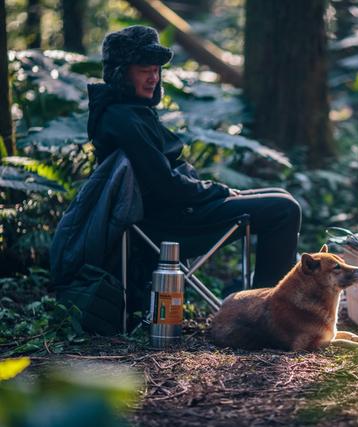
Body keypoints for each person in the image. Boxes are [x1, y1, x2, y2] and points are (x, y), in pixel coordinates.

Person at [87, 25, 301, 290]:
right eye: (145, 70)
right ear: (121, 74)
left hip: (181, 210)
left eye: (156, 70)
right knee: (284, 210)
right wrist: (218, 191)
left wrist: (214, 193)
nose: (153, 78)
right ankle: (270, 312)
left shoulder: (132, 111)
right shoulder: (122, 118)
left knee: (280, 195)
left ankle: (266, 301)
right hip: (170, 224)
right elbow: (165, 186)